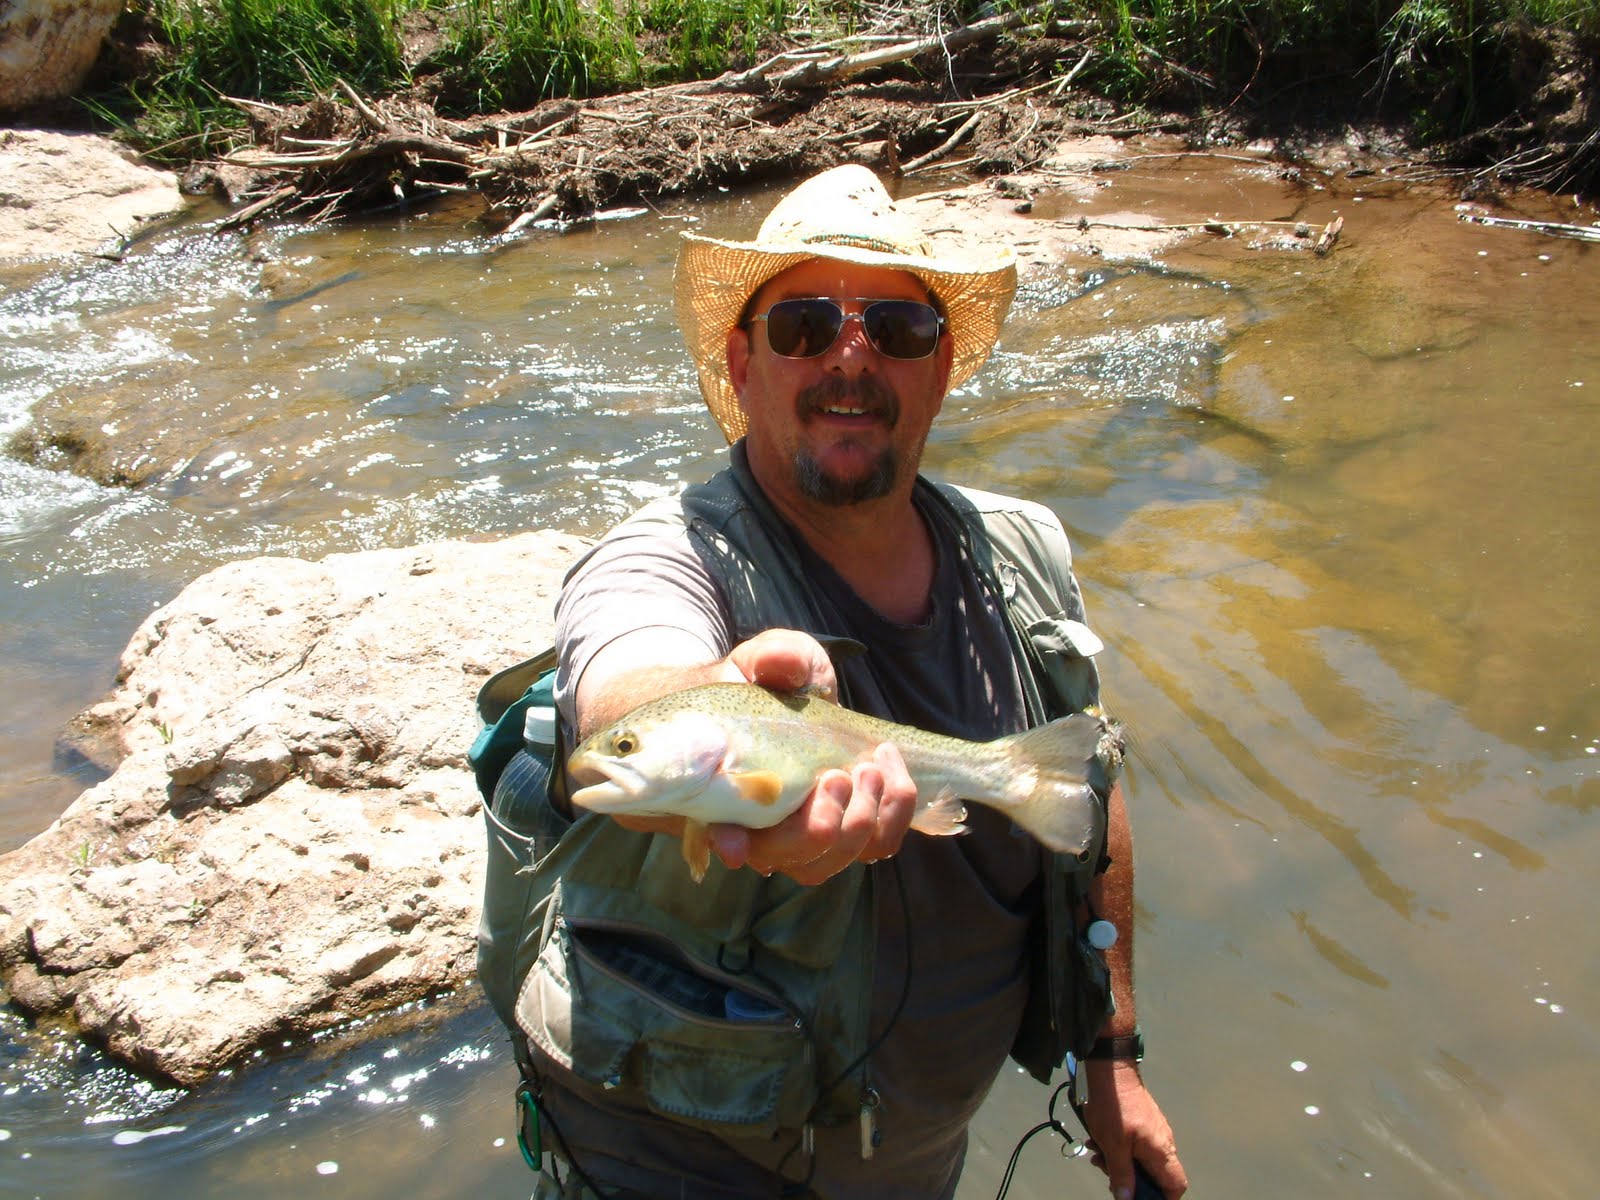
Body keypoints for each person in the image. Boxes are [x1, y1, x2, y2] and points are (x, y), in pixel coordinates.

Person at [514, 165, 1187, 1200]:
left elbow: (1085, 789)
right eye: (803, 326)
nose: (849, 359)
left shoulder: (1024, 549)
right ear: (742, 364)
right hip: (685, 1155)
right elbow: (623, 678)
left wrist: (1110, 1060)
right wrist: (686, 706)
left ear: (943, 365)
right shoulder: (664, 557)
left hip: (912, 1154)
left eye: (898, 330)